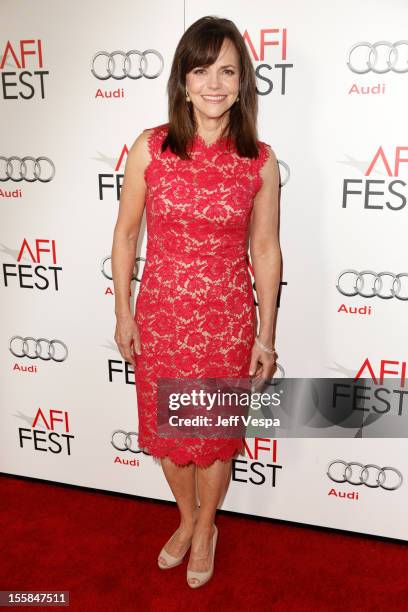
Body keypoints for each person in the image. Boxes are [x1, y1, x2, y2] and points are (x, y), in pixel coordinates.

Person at [111, 15, 281, 588]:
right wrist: (123, 312)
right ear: (183, 79)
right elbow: (127, 234)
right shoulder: (151, 148)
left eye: (227, 71)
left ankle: (206, 527)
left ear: (243, 82)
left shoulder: (259, 160)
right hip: (161, 318)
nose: (214, 83)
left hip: (228, 322)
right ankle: (186, 519)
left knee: (212, 442)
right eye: (202, 68)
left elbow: (265, 247)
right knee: (170, 437)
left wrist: (266, 335)